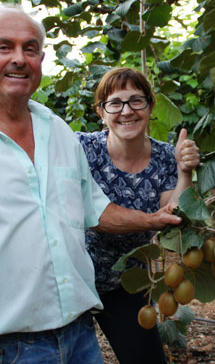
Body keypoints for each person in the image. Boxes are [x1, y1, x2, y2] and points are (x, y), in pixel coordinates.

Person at [0, 4, 182, 364]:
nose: (20, 58)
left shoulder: (59, 132)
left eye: (30, 49)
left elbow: (95, 211)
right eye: (5, 47)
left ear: (40, 61)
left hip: (80, 339)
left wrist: (153, 219)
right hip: (4, 351)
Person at [76, 67, 200, 364]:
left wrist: (185, 173)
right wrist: (150, 220)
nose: (126, 111)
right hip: (73, 280)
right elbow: (87, 214)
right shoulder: (81, 148)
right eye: (115, 103)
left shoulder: (164, 156)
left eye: (136, 101)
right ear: (101, 113)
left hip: (126, 283)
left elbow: (175, 213)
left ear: (150, 106)